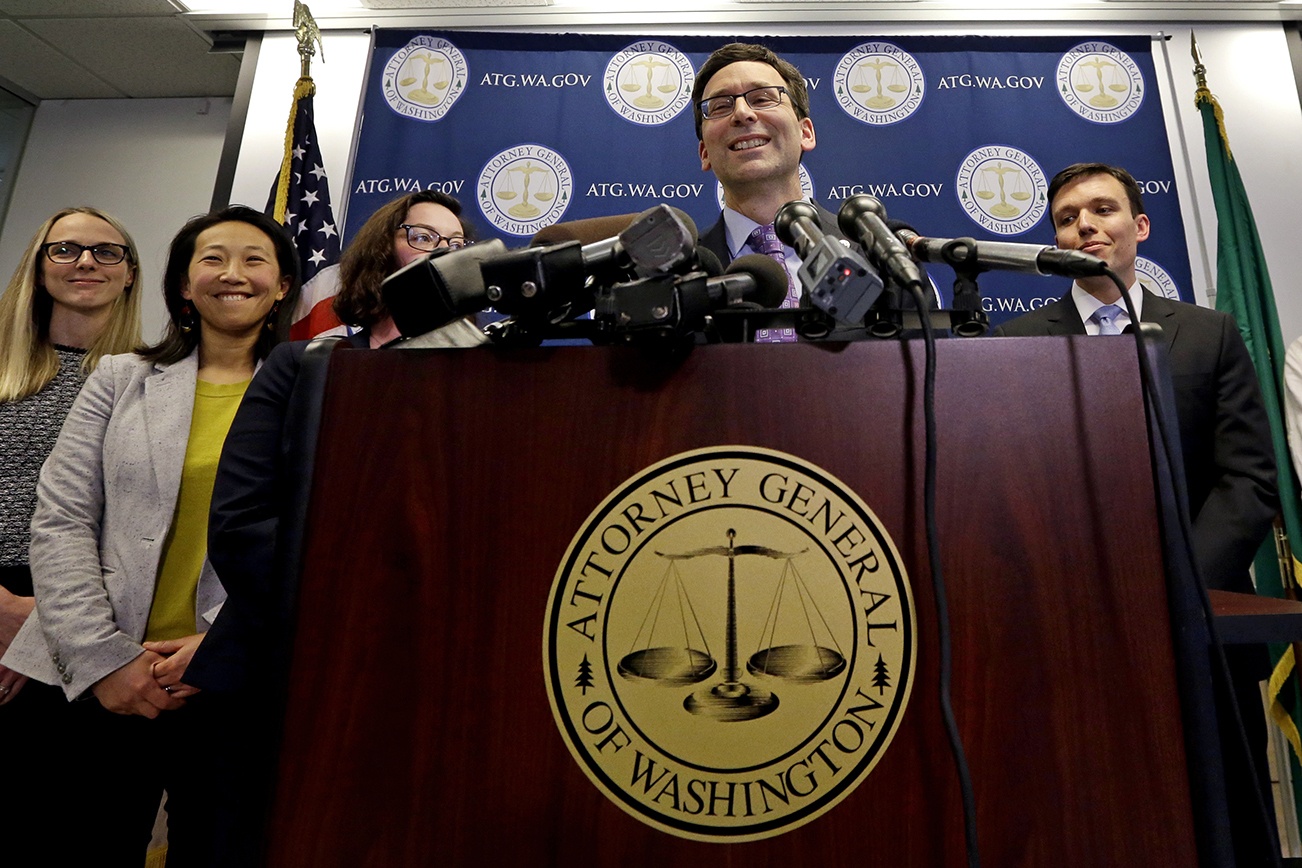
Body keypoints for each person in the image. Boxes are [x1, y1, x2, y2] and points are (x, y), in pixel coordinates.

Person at [993, 161, 1278, 864]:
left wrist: (1182, 586)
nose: (1084, 226)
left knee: (1227, 821)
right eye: (1066, 218)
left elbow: (1249, 479)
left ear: (1140, 228)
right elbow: (1015, 491)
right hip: (1073, 627)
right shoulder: (1017, 345)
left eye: (1102, 210)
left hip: (1204, 621)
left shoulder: (1210, 334)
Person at [1, 205, 298, 867]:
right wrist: (105, 658)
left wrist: (221, 645)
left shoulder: (317, 394)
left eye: (255, 260)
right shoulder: (119, 378)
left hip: (229, 683)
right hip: (104, 679)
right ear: (183, 286)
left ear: (282, 286)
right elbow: (62, 518)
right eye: (212, 259)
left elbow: (312, 543)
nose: (233, 274)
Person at [0, 206, 143, 845]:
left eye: (105, 252)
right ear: (38, 266)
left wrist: (49, 622)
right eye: (65, 250)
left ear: (131, 275)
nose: (85, 262)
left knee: (76, 823)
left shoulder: (154, 386)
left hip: (92, 620)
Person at [295, 189, 485, 348]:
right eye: (423, 237)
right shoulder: (304, 362)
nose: (444, 250)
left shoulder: (482, 368)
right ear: (381, 250)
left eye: (456, 245)